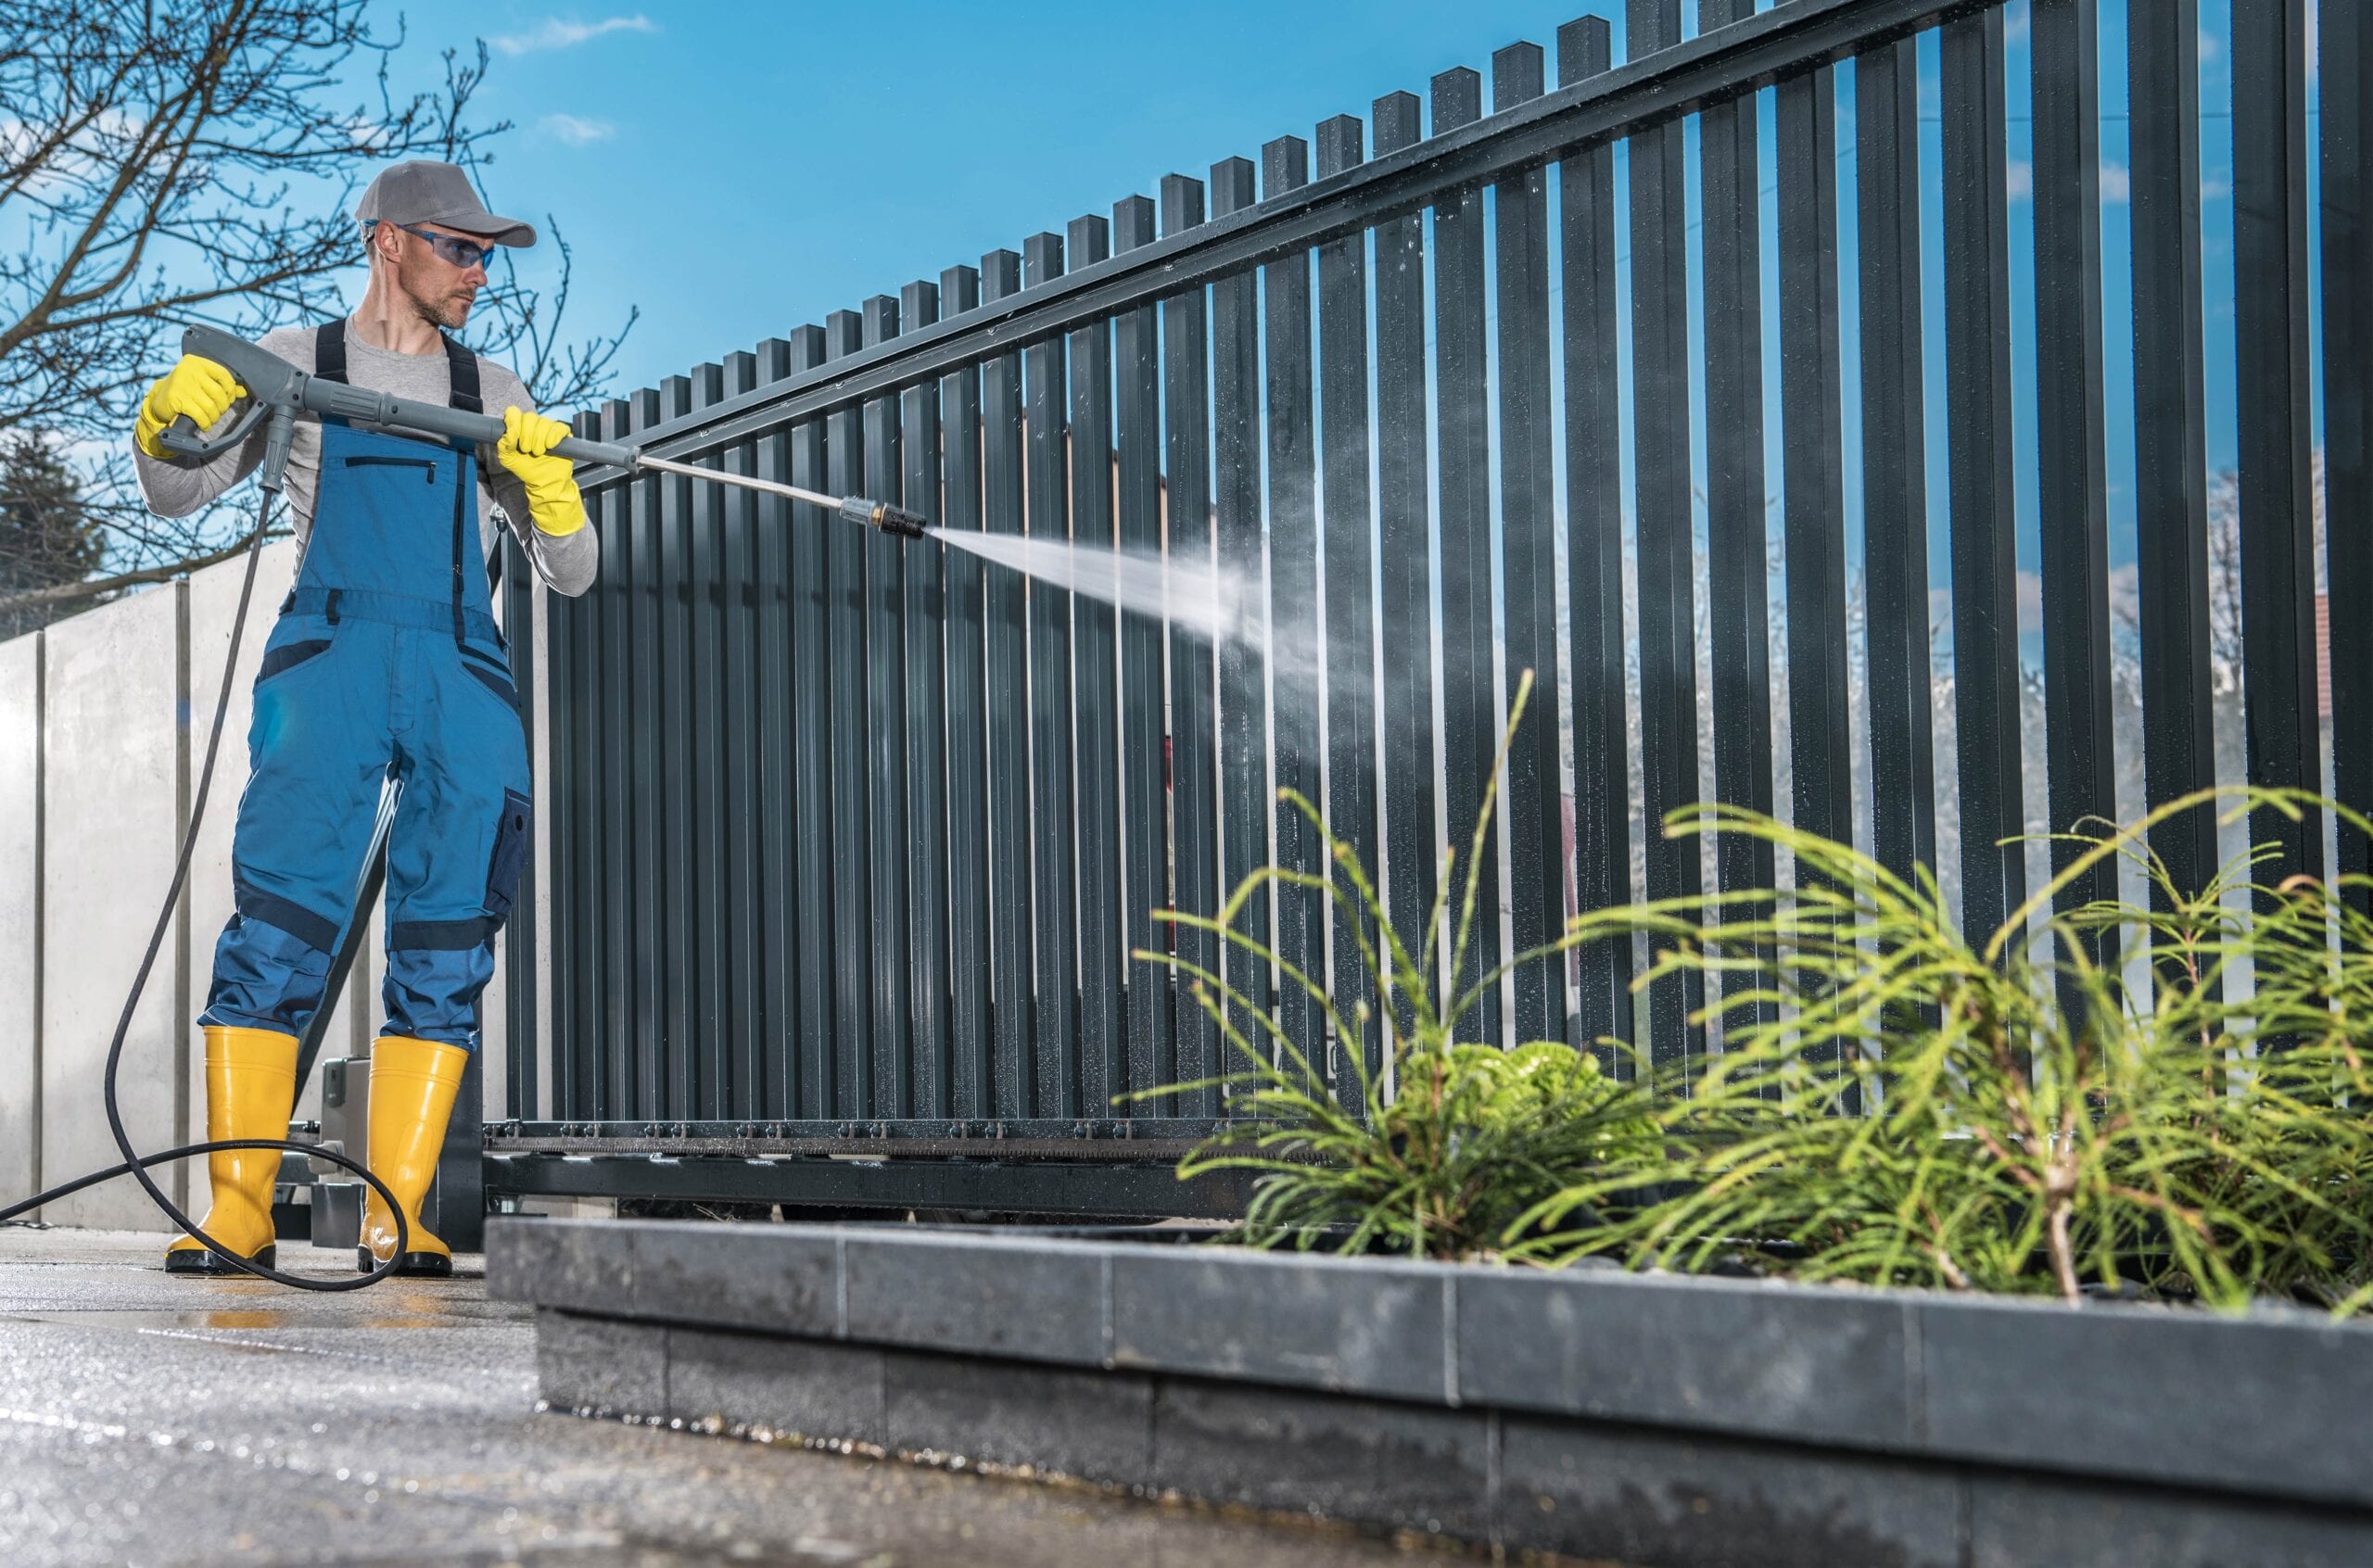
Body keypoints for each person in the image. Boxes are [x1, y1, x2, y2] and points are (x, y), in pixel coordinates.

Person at [132, 159, 598, 1277]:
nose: (480, 271)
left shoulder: (497, 389)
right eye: (459, 247)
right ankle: (241, 1206)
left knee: (446, 941)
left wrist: (550, 492)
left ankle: (398, 1213)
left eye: (488, 254)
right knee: (280, 924)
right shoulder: (297, 365)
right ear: (389, 240)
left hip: (458, 665)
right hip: (330, 661)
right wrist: (166, 421)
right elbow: (175, 490)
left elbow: (572, 575)